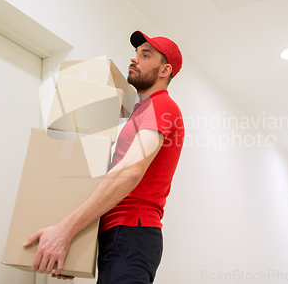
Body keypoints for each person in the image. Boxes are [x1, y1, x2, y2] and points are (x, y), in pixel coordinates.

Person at [23, 30, 185, 283]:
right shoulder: (140, 112)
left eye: (145, 55)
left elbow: (129, 173)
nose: (134, 59)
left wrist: (66, 231)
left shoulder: (162, 105)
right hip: (119, 234)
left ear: (165, 71)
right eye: (135, 53)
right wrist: (79, 247)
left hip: (132, 232)